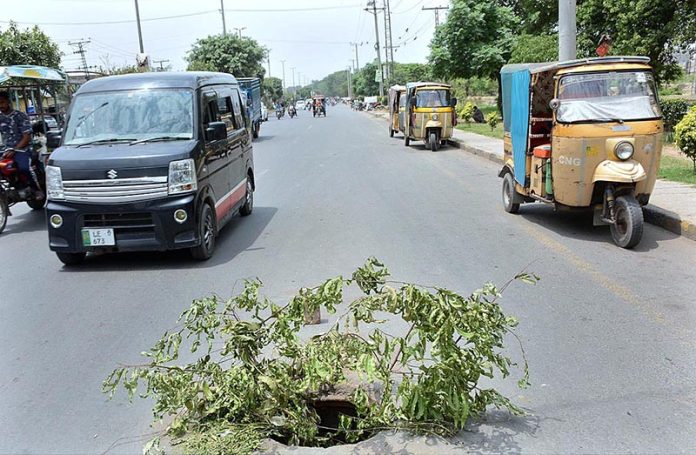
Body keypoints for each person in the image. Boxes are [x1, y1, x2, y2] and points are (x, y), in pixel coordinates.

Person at [0, 91, 43, 198]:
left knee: (24, 168)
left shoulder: (20, 116)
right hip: (6, 150)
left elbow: (26, 137)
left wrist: (14, 149)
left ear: (8, 102)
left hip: (23, 149)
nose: (1, 106)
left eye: (2, 102)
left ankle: (36, 189)